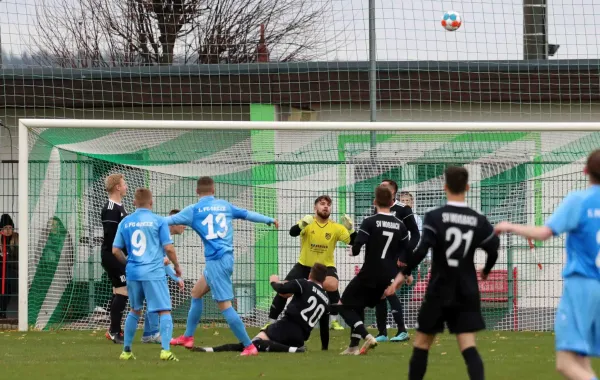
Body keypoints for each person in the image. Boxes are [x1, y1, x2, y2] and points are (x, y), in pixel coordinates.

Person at [495, 149, 600, 380]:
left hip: (583, 286)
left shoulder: (578, 201)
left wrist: (511, 226)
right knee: (581, 359)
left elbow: (543, 233)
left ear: (585, 171)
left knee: (565, 363)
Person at [393, 166, 499, 380]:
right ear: (467, 187)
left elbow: (421, 250)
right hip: (466, 290)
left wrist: (402, 273)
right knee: (468, 346)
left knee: (422, 344)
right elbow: (493, 248)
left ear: (445, 187)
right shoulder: (477, 219)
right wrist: (486, 270)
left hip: (439, 289)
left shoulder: (434, 216)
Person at [167, 176, 278, 356]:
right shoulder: (225, 206)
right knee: (196, 293)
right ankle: (188, 337)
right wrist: (268, 219)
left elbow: (166, 221)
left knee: (225, 305)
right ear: (214, 190)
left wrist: (143, 223)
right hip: (223, 260)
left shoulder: (193, 210)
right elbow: (247, 214)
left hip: (217, 262)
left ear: (197, 192)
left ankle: (248, 346)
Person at [191, 263, 330, 354]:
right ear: (323, 279)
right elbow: (324, 327)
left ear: (310, 274)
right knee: (257, 345)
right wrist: (324, 348)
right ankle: (209, 350)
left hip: (286, 327)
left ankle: (293, 350)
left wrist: (274, 280)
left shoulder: (304, 284)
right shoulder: (326, 299)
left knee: (252, 344)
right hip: (300, 337)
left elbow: (281, 289)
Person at [338, 185, 410, 355]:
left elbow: (356, 248)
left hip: (369, 273)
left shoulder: (370, 221)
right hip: (387, 277)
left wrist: (350, 234)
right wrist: (405, 275)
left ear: (375, 201)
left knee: (343, 306)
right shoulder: (400, 225)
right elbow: (407, 253)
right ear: (392, 202)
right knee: (359, 306)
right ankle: (353, 347)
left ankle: (366, 335)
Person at [266, 195, 356, 331]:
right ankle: (271, 322)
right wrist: (301, 224)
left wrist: (351, 229)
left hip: (325, 267)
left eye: (328, 204)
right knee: (285, 292)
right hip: (304, 265)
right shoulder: (308, 223)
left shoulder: (336, 227)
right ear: (315, 208)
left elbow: (354, 242)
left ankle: (334, 321)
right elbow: (292, 233)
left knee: (332, 285)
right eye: (322, 204)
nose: (326, 206)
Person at [112, 188, 182, 361]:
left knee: (135, 310)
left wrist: (128, 263)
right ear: (151, 203)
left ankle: (126, 351)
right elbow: (168, 248)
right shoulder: (158, 221)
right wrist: (177, 267)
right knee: (164, 311)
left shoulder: (125, 222)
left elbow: (115, 250)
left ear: (134, 203)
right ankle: (165, 351)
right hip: (153, 273)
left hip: (133, 273)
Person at [373, 181, 420, 343]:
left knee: (389, 291)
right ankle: (382, 333)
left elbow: (415, 235)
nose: (381, 188)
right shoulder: (378, 208)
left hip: (397, 259)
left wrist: (405, 256)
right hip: (381, 259)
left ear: (393, 191)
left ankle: (402, 330)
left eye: (384, 186)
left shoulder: (403, 209)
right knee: (380, 293)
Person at [141, 209, 186, 344]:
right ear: (174, 222)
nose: (185, 226)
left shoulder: (160, 230)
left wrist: (175, 277)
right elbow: (159, 257)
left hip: (143, 269)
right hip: (147, 270)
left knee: (152, 301)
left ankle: (148, 334)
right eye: (182, 223)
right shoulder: (161, 231)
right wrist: (176, 276)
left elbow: (162, 260)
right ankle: (154, 333)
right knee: (157, 301)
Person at [100, 174, 129, 344]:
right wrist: (120, 256)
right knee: (123, 290)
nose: (126, 187)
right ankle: (114, 331)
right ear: (117, 187)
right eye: (124, 184)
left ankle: (114, 329)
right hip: (112, 255)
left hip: (118, 255)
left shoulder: (120, 206)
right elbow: (111, 237)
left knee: (119, 291)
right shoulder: (111, 207)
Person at [0, 214, 18, 319]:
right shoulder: (0, 239)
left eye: (10, 228)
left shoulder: (16, 238)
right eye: (5, 228)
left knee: (7, 288)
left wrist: (7, 256)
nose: (8, 230)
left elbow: (18, 257)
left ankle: (3, 310)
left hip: (11, 271)